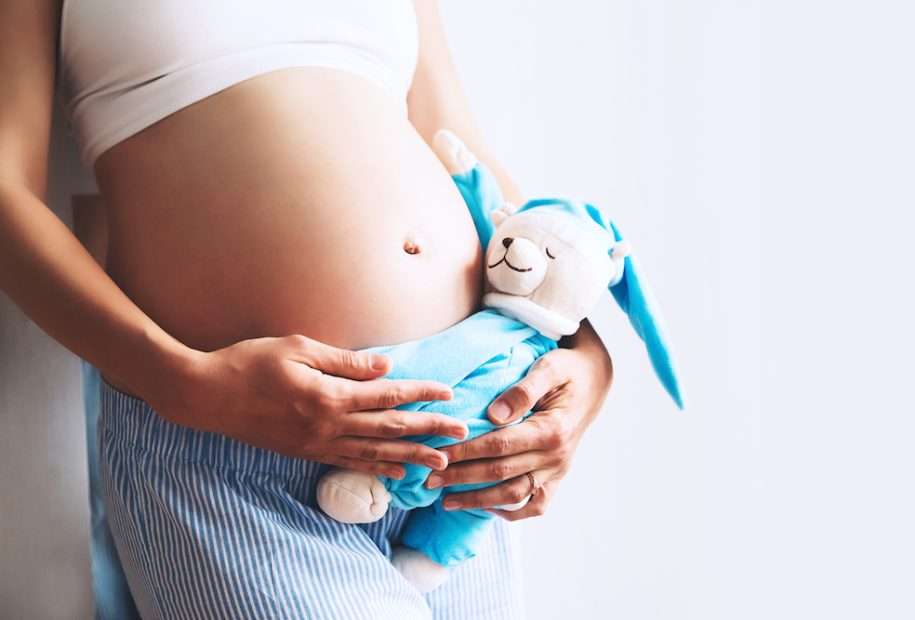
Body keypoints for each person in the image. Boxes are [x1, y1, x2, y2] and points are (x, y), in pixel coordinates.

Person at [0, 1, 615, 618]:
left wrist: (579, 353)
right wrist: (179, 382)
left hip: (460, 444)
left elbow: (457, 145)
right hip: (231, 458)